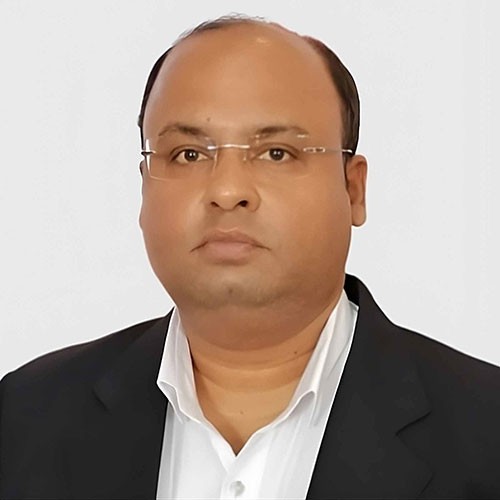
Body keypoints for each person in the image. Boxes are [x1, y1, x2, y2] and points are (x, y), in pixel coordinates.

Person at [1, 13, 499, 500]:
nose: (227, 191)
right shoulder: (24, 419)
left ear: (353, 189)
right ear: (145, 188)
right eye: (188, 154)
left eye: (276, 152)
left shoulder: (484, 431)